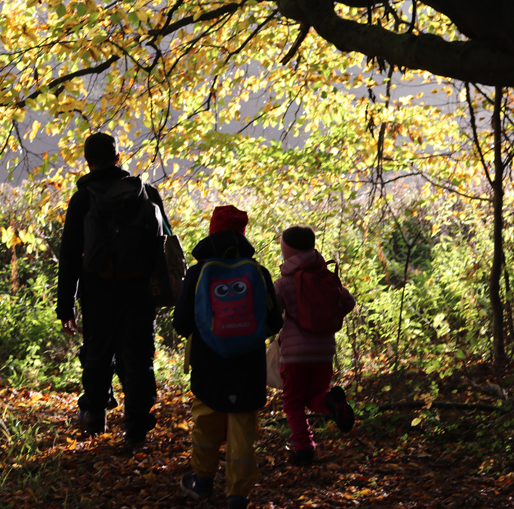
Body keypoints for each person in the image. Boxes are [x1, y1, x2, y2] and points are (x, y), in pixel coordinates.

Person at [56, 132, 169, 450]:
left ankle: (94, 414)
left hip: (97, 289)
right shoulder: (146, 193)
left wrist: (65, 306)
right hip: (140, 291)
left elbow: (69, 255)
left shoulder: (82, 199)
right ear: (118, 158)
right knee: (137, 358)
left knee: (97, 353)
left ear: (88, 162)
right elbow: (166, 244)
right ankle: (136, 432)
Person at [172, 205, 283, 507]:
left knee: (206, 420)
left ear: (212, 231)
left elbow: (181, 324)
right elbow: (275, 323)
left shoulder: (197, 273)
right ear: (243, 233)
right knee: (243, 428)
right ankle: (238, 496)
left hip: (208, 365)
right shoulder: (258, 273)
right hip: (248, 366)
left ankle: (202, 481)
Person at [274, 225, 356, 465]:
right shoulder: (325, 276)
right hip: (324, 352)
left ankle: (304, 448)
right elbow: (348, 302)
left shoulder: (284, 282)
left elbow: (273, 315)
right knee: (315, 396)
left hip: (294, 354)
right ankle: (333, 403)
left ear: (287, 250)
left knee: (293, 401)